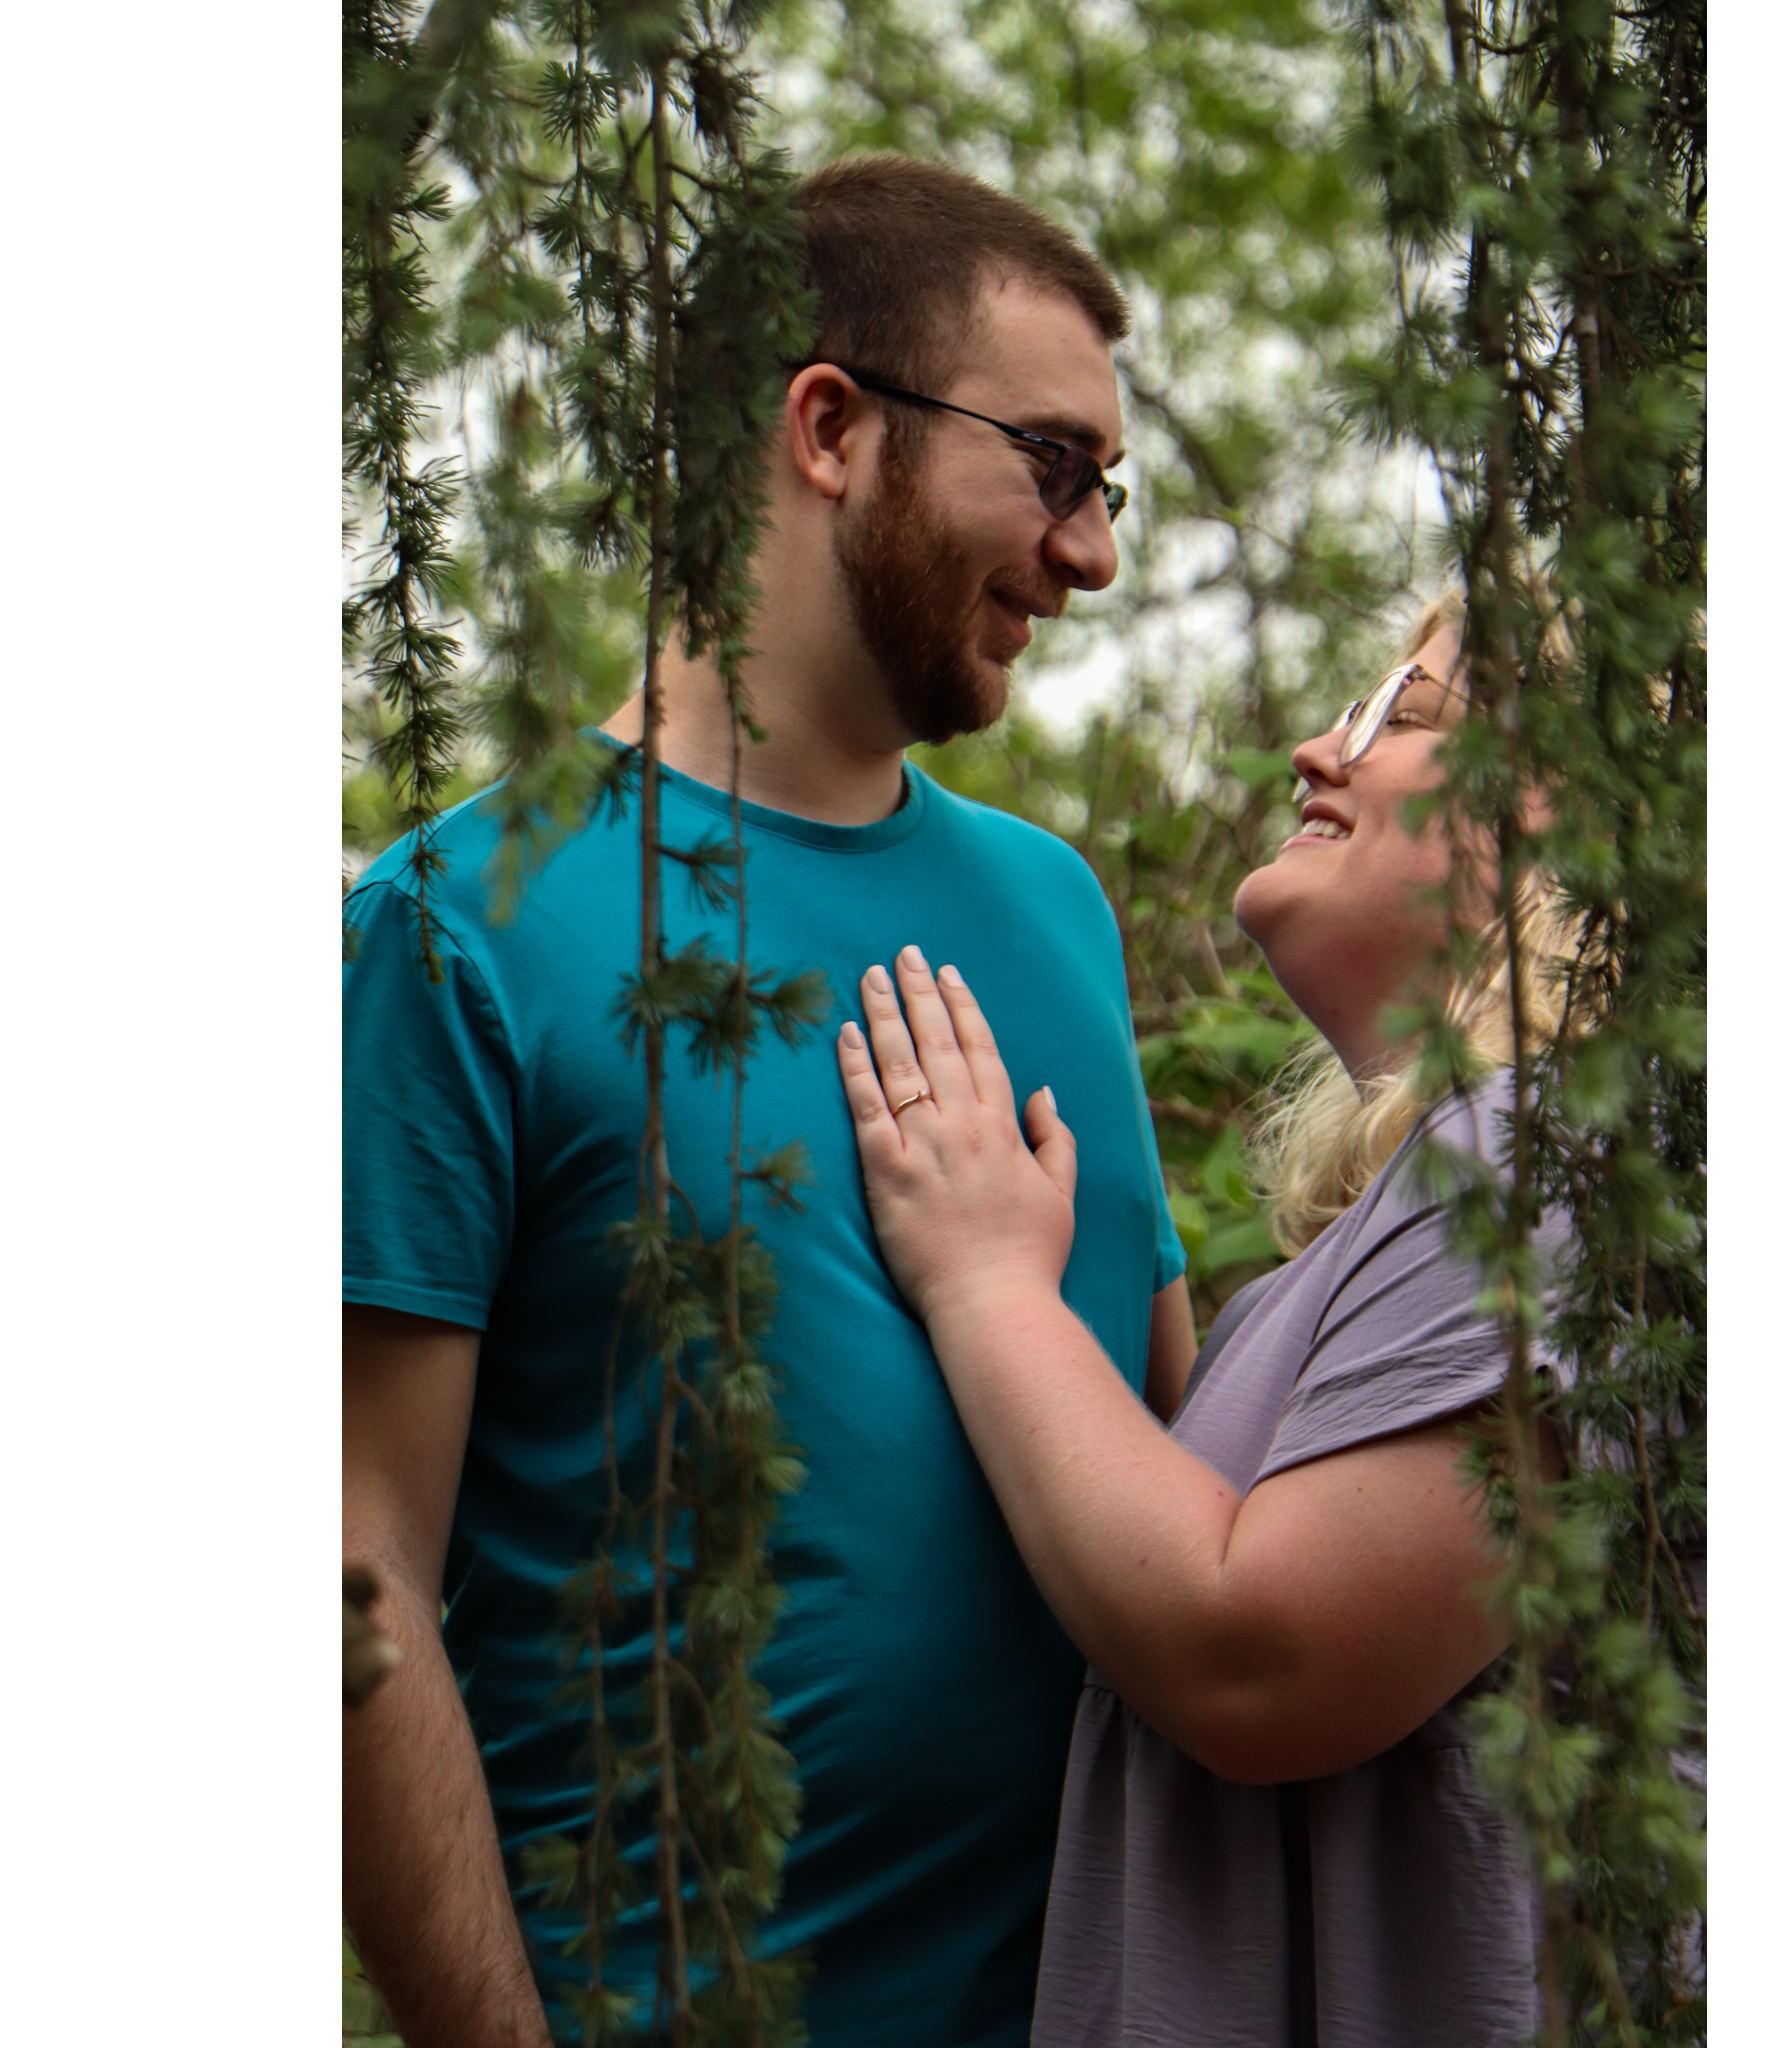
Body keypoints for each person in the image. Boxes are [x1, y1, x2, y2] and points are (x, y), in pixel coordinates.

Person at [343, 154, 1195, 2048]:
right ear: (830, 426)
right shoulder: (453, 934)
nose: (1093, 555)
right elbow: (350, 1575)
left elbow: (1168, 1435)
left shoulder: (1057, 910)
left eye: (1105, 489)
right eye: (1053, 467)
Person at [837, 589, 1589, 2046]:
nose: (1318, 749)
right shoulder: (1390, 1230)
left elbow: (1258, 1658)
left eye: (1400, 719)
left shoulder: (1549, 1168)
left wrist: (988, 1282)